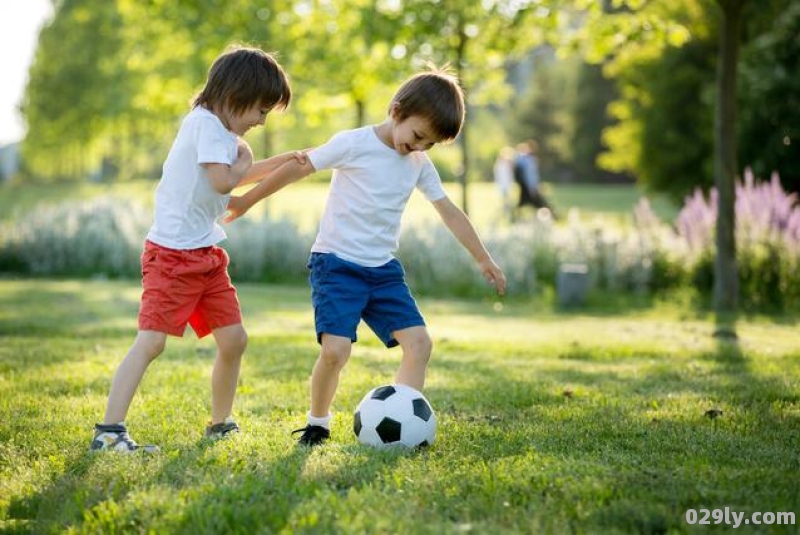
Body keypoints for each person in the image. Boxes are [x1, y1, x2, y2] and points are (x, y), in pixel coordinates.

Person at [226, 66, 507, 447]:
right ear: (396, 111)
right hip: (336, 265)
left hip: (383, 272)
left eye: (430, 144)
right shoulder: (354, 143)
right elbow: (299, 166)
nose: (420, 147)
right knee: (335, 351)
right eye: (418, 136)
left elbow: (449, 211)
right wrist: (245, 200)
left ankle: (404, 433)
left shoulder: (419, 165)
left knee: (420, 345)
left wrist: (483, 258)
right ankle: (318, 423)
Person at [90, 45, 303, 452]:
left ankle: (220, 423)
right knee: (151, 342)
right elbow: (225, 182)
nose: (261, 120)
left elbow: (230, 175)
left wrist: (283, 162)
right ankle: (109, 431)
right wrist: (249, 161)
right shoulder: (204, 124)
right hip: (172, 256)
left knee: (234, 339)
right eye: (260, 110)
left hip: (205, 254)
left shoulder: (220, 132)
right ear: (234, 95)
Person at [513, 140, 556, 220]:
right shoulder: (528, 160)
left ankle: (518, 218)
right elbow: (530, 176)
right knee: (539, 204)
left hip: (526, 187)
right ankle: (551, 216)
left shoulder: (521, 160)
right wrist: (533, 187)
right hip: (529, 187)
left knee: (530, 204)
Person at [492, 146, 516, 223]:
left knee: (507, 202)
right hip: (504, 186)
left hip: (506, 186)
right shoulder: (501, 164)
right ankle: (507, 216)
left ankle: (508, 216)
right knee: (506, 203)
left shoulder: (503, 164)